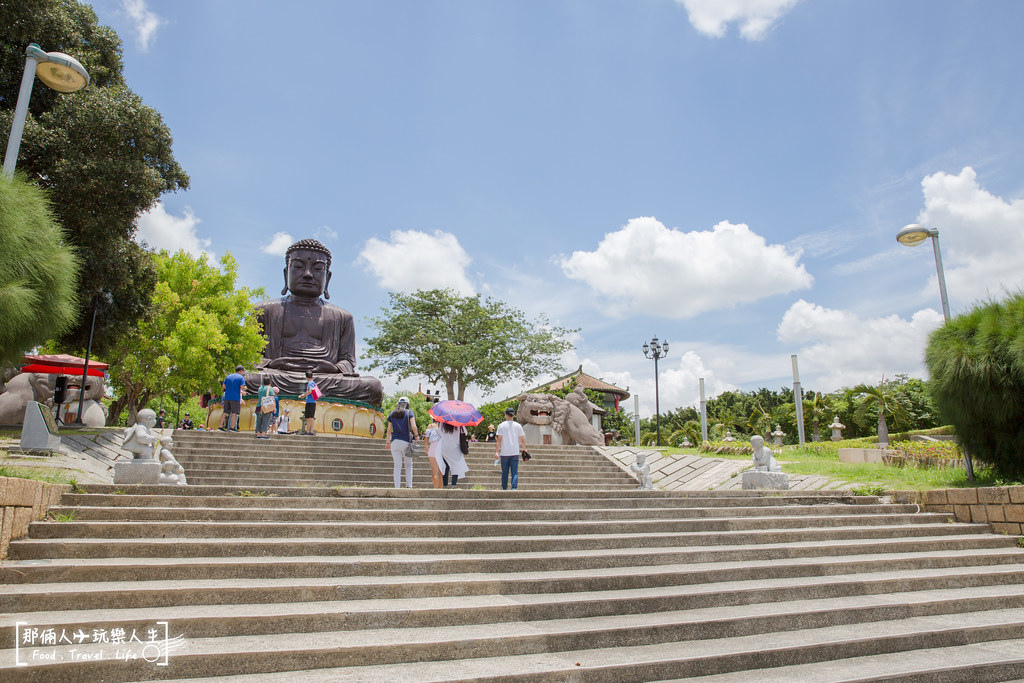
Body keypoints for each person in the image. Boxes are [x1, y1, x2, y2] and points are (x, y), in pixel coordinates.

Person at [243, 239, 383, 405]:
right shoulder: (263, 311)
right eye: (298, 266)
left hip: (324, 379)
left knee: (373, 386)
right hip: (276, 376)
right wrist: (273, 364)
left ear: (328, 278)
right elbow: (249, 357)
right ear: (286, 273)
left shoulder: (343, 317)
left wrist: (334, 368)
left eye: (317, 269)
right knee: (241, 378)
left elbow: (348, 361)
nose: (308, 274)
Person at [384, 397, 419, 488]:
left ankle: (397, 487)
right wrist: (416, 436)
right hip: (406, 442)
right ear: (408, 404)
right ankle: (409, 486)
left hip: (394, 442)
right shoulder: (409, 412)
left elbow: (388, 430)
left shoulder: (392, 413)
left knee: (397, 466)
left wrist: (387, 441)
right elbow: (414, 426)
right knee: (408, 465)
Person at [495, 407, 527, 490]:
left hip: (504, 453)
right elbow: (522, 439)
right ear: (513, 415)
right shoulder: (518, 426)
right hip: (514, 452)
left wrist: (496, 452)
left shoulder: (501, 425)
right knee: (514, 472)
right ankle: (514, 488)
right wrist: (524, 449)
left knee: (505, 473)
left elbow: (499, 440)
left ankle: (504, 488)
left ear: (506, 415)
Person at [439, 422, 469, 488]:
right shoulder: (460, 425)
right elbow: (465, 434)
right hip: (456, 449)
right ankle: (453, 484)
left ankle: (445, 484)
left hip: (445, 448)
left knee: (446, 467)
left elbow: (440, 432)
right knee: (455, 466)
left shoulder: (442, 424)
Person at [219, 365, 246, 431]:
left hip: (227, 397)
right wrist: (244, 388)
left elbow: (223, 386)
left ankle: (220, 426)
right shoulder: (241, 378)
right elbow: (242, 387)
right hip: (235, 398)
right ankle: (232, 427)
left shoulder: (228, 376)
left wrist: (230, 388)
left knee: (225, 412)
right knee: (234, 413)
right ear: (241, 371)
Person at [424, 420, 444, 489]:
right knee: (440, 472)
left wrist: (426, 447)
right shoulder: (443, 426)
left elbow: (426, 438)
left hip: (432, 447)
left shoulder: (430, 426)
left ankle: (435, 489)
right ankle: (440, 489)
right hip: (441, 448)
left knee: (434, 472)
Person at [298, 370, 318, 435]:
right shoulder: (313, 382)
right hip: (312, 401)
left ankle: (310, 431)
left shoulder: (310, 383)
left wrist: (303, 395)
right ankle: (309, 431)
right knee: (310, 417)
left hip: (310, 401)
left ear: (306, 377)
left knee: (310, 417)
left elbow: (310, 391)